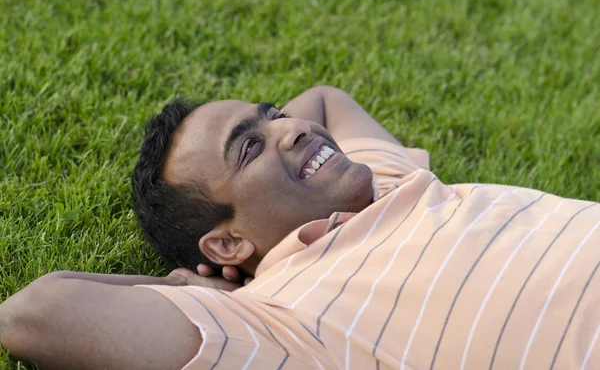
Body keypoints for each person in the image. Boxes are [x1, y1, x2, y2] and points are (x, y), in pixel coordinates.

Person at [1, 86, 599, 370]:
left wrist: (268, 144)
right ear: (229, 243)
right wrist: (194, 289)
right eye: (249, 149)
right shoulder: (280, 317)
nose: (293, 130)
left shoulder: (382, 182)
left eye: (273, 117)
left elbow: (321, 100)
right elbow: (33, 313)